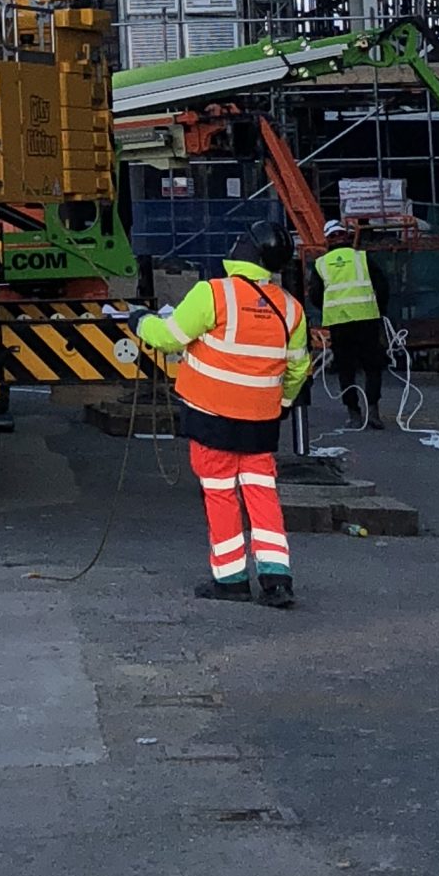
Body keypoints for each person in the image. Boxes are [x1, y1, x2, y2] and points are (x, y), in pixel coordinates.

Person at [136, 236, 311, 609]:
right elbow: (298, 367)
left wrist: (141, 322)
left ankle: (231, 579)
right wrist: (279, 402)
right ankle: (277, 579)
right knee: (262, 494)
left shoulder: (213, 294)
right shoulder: (291, 309)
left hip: (210, 417)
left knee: (220, 493)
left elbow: (168, 339)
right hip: (261, 423)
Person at [314, 218, 390, 429]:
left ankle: (354, 413)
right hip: (366, 319)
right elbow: (382, 285)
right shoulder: (362, 258)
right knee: (372, 366)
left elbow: (314, 295)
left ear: (328, 240)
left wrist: (332, 306)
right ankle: (373, 411)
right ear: (346, 236)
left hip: (339, 322)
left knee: (346, 369)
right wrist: (379, 310)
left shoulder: (322, 264)